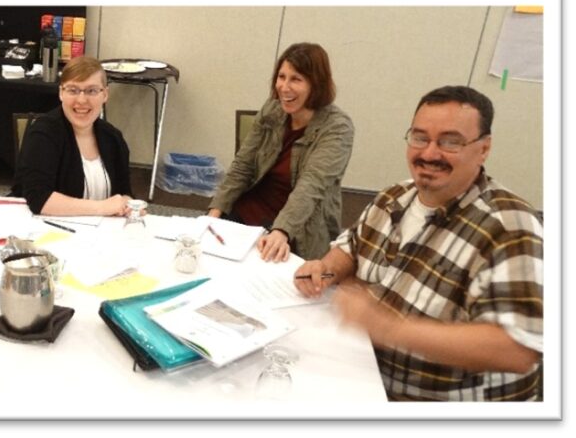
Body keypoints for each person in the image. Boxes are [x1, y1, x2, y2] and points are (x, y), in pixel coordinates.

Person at [295, 86, 542, 401]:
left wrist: (387, 328)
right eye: (420, 137)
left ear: (484, 148)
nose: (429, 153)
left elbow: (517, 348)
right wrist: (326, 268)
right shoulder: (393, 197)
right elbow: (352, 246)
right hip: (362, 374)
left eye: (450, 142)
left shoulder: (511, 229)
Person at [207, 43, 354, 262]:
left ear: (317, 85)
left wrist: (281, 231)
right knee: (204, 255)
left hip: (298, 225)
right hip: (250, 209)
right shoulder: (273, 109)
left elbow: (310, 187)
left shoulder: (338, 128)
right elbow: (243, 165)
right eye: (281, 77)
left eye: (296, 79)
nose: (284, 87)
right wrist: (214, 214)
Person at [10, 56, 134, 216]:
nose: (82, 100)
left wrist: (129, 205)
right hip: (47, 231)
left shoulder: (113, 138)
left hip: (100, 233)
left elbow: (125, 193)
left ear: (105, 95)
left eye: (92, 90)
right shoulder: (43, 133)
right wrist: (102, 207)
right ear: (61, 93)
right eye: (73, 90)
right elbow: (39, 199)